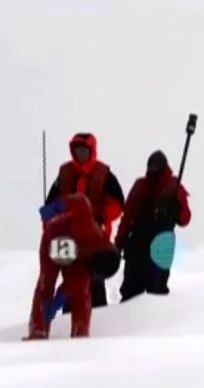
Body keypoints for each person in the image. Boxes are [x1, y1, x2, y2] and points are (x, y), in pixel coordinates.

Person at [25, 193, 121, 339]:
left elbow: (74, 284)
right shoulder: (89, 229)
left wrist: (59, 299)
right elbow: (81, 201)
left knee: (80, 292)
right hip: (52, 240)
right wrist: (58, 206)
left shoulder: (88, 265)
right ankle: (38, 328)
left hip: (72, 257)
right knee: (46, 283)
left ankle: (80, 329)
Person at [46, 132, 125, 308]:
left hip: (95, 238)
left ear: (92, 151)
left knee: (95, 281)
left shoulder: (104, 174)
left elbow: (118, 202)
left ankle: (98, 324)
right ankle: (69, 322)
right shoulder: (64, 173)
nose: (81, 154)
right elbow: (51, 204)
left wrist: (104, 215)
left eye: (84, 150)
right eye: (78, 150)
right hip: (68, 239)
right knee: (71, 281)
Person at [115, 150, 191, 301]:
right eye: (152, 166)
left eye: (158, 166)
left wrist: (176, 209)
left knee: (157, 289)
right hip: (138, 243)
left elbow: (185, 219)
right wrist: (119, 242)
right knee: (131, 290)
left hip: (162, 241)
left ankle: (156, 320)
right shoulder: (140, 186)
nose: (154, 170)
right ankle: (129, 320)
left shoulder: (174, 187)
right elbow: (128, 215)